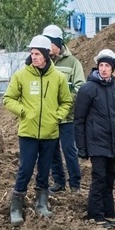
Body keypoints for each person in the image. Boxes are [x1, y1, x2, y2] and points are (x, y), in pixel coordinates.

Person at [3, 35, 73, 226]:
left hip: (50, 133)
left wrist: (57, 116)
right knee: (25, 168)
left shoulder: (58, 77)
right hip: (28, 132)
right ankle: (16, 205)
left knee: (44, 170)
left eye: (37, 54)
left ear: (45, 55)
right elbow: (8, 99)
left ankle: (41, 202)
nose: (34, 57)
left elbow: (67, 101)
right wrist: (23, 112)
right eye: (32, 53)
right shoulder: (21, 76)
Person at [74, 49, 115, 229]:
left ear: (112, 68)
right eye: (101, 65)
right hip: (95, 142)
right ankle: (95, 214)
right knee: (99, 177)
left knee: (110, 177)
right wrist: (82, 146)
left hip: (111, 143)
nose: (103, 69)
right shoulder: (88, 89)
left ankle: (109, 213)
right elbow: (79, 119)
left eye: (107, 66)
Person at [41, 24, 85, 194]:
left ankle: (75, 183)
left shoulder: (73, 63)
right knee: (52, 150)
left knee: (69, 150)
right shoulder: (43, 63)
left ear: (58, 44)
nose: (47, 48)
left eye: (49, 43)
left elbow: (80, 87)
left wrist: (66, 102)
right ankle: (59, 181)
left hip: (67, 117)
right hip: (49, 117)